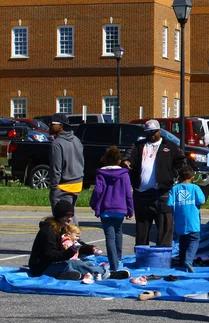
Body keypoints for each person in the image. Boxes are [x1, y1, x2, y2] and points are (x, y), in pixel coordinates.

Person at [122, 120, 185, 247]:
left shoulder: (170, 146)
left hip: (162, 192)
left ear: (159, 131)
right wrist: (127, 161)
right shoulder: (138, 145)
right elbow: (129, 155)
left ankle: (162, 256)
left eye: (153, 132)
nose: (151, 134)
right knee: (142, 229)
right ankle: (142, 254)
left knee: (165, 227)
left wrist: (171, 175)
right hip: (142, 193)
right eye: (148, 132)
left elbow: (182, 161)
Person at [28, 200, 107, 281]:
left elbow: (76, 243)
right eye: (67, 216)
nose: (70, 219)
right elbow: (51, 255)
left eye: (71, 216)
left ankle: (68, 274)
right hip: (42, 268)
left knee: (85, 262)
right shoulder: (48, 231)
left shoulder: (63, 228)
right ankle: (101, 273)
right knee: (73, 264)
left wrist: (91, 248)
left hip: (56, 263)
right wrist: (71, 251)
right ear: (59, 216)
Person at [89, 146, 134, 274]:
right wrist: (130, 210)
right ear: (119, 160)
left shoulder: (101, 174)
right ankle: (118, 258)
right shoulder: (124, 174)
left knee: (109, 236)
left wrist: (93, 203)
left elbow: (98, 190)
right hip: (120, 208)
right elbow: (128, 193)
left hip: (105, 208)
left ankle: (113, 264)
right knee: (118, 232)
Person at [167, 165, 206, 272]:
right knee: (194, 240)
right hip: (193, 221)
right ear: (192, 177)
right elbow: (202, 201)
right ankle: (188, 260)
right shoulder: (195, 188)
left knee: (183, 241)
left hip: (180, 221)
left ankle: (182, 261)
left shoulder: (175, 189)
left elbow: (170, 203)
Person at [48, 113, 85, 219]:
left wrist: (54, 187)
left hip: (63, 186)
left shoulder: (57, 144)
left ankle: (71, 235)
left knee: (62, 220)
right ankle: (75, 235)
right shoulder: (76, 140)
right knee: (70, 215)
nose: (49, 125)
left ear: (61, 126)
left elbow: (56, 169)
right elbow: (82, 161)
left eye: (52, 123)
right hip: (77, 183)